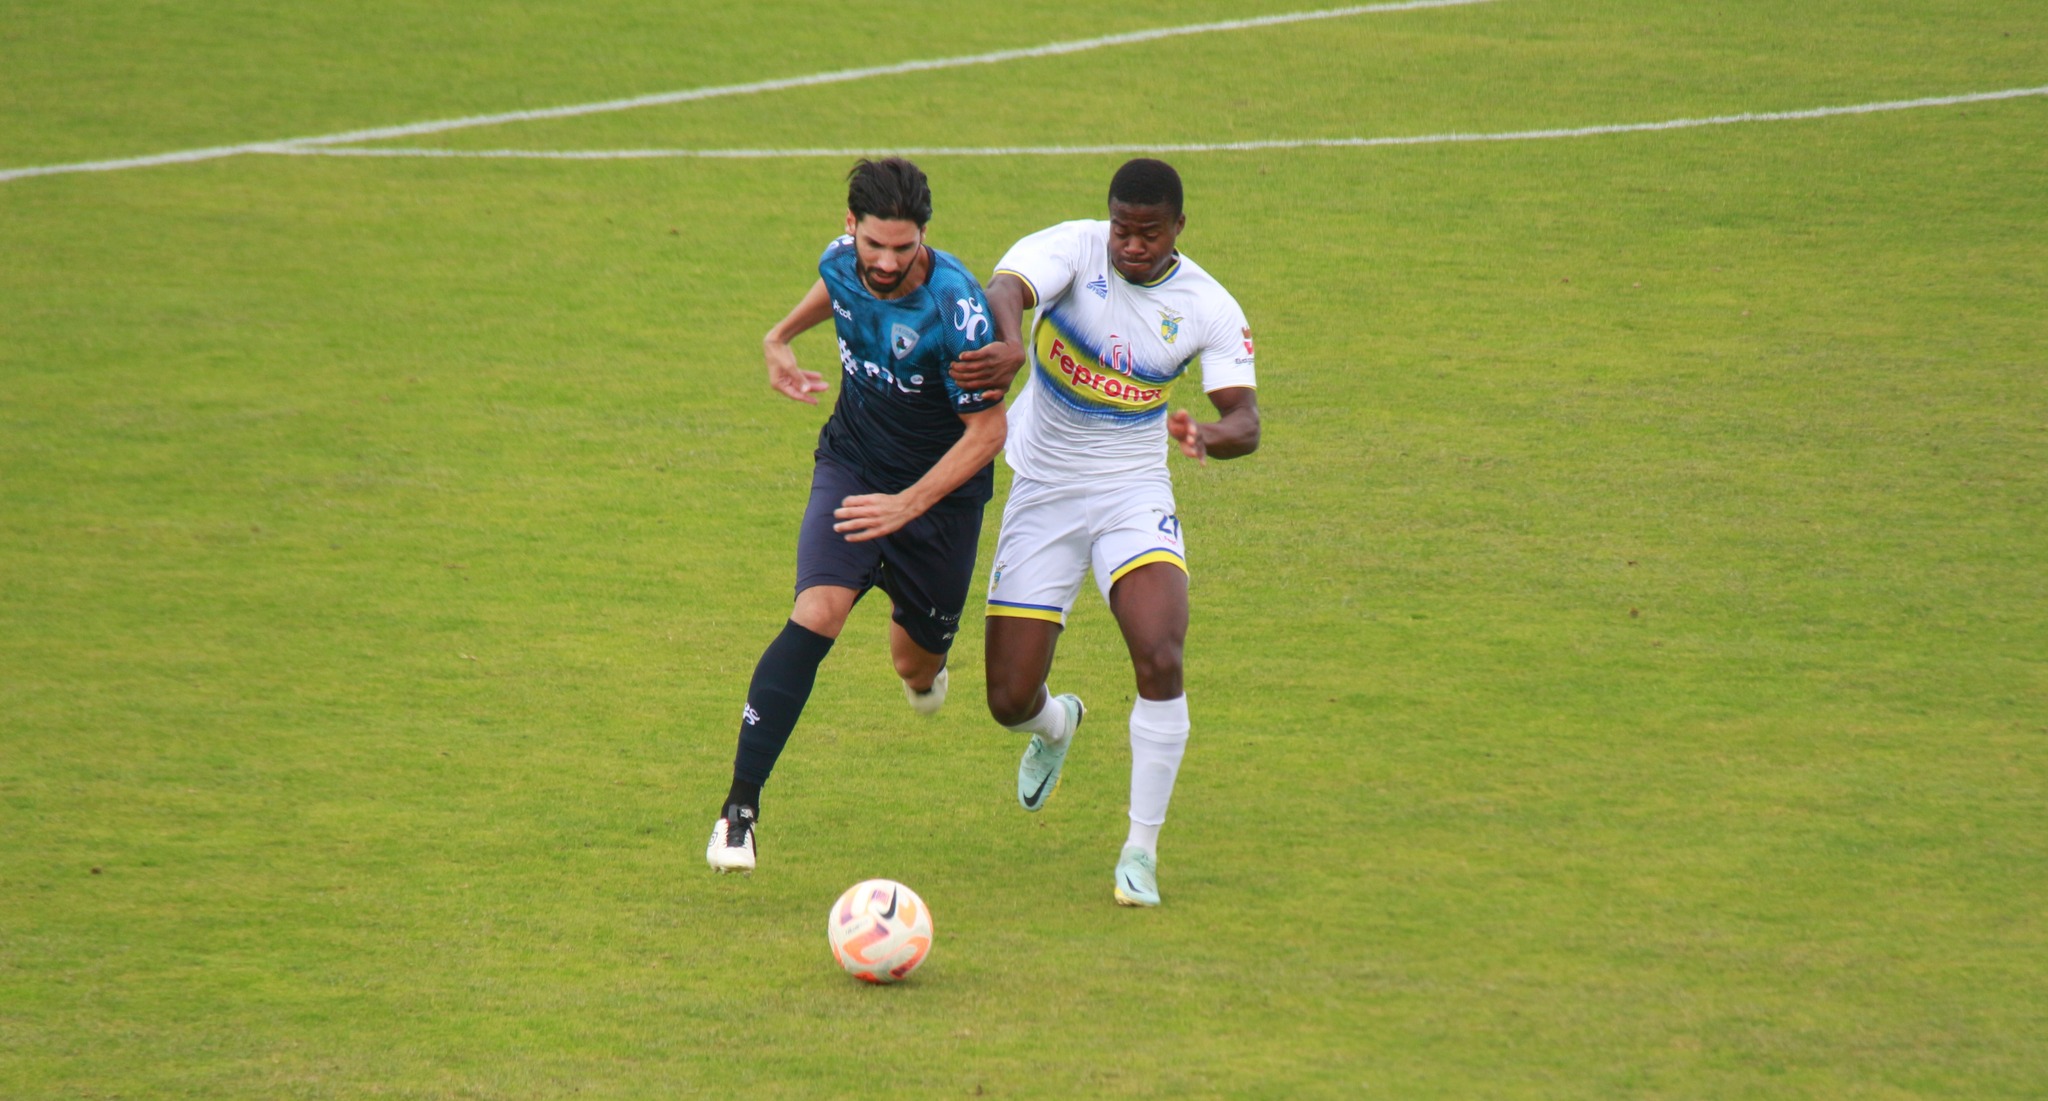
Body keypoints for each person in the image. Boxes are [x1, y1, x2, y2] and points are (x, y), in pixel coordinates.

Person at [950, 158, 1260, 907]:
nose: (1132, 245)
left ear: (1178, 229)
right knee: (1006, 697)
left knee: (1159, 652)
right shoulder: (1074, 247)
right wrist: (1011, 338)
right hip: (1044, 487)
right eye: (1123, 228)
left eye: (1150, 233)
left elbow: (1246, 420)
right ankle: (1057, 726)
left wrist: (1208, 436)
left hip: (1132, 491)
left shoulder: (1208, 306)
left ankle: (1139, 852)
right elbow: (1006, 287)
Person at [706, 157, 1006, 873]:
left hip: (938, 501)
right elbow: (835, 289)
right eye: (875, 244)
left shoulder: (957, 311)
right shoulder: (842, 261)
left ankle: (925, 676)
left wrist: (907, 505)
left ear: (924, 235)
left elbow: (988, 434)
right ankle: (738, 813)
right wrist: (779, 337)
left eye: (904, 248)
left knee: (914, 661)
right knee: (818, 610)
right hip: (852, 466)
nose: (887, 261)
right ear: (852, 228)